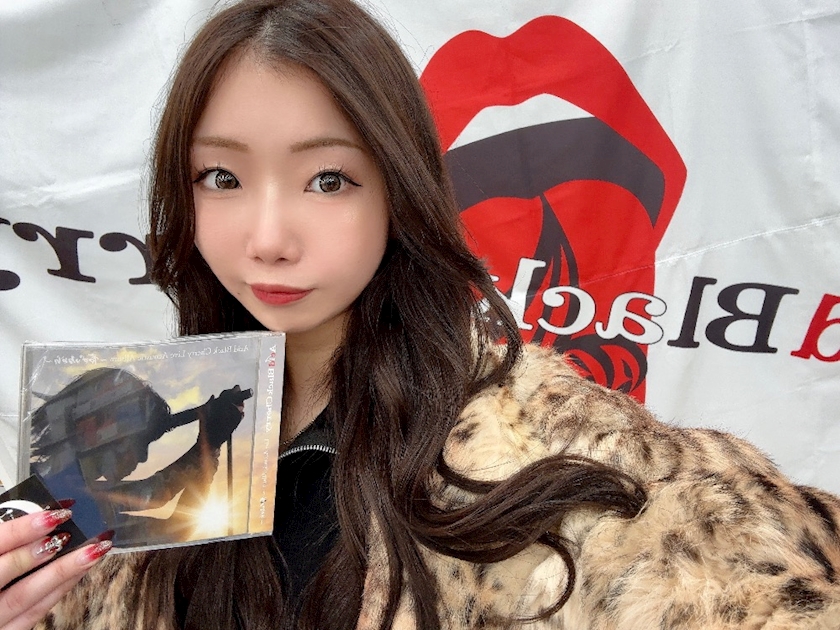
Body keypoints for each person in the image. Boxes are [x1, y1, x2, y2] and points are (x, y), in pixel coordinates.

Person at [2, 0, 839, 628]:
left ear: (398, 190)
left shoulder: (550, 457)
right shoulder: (130, 438)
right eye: (221, 178)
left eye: (327, 179)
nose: (268, 239)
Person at [28, 368, 249, 547]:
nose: (143, 457)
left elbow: (158, 495)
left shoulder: (61, 485)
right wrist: (209, 447)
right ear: (91, 423)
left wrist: (208, 446)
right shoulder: (68, 498)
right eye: (139, 440)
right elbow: (173, 527)